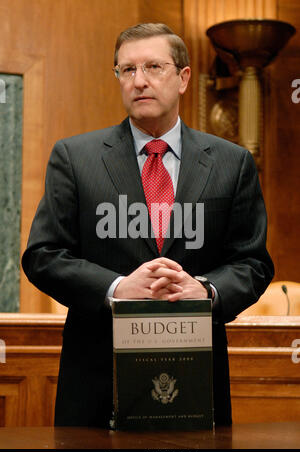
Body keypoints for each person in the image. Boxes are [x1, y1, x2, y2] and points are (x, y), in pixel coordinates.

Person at [22, 23, 274, 427]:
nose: (139, 81)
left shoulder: (232, 163)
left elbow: (253, 263)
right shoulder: (75, 157)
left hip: (196, 380)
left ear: (183, 78)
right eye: (127, 70)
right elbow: (43, 256)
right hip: (96, 385)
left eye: (154, 67)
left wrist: (204, 290)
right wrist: (117, 287)